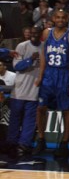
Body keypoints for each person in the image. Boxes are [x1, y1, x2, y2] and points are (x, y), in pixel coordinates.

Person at [33, 9, 69, 158]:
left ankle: (64, 143)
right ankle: (41, 139)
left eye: (63, 17)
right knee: (41, 108)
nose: (60, 20)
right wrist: (40, 75)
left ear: (67, 19)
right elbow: (43, 55)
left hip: (63, 74)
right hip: (49, 74)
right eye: (58, 17)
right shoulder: (46, 33)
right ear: (53, 18)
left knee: (65, 110)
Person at [6, 28, 42, 160]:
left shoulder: (44, 47)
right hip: (19, 91)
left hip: (34, 91)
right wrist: (30, 59)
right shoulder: (22, 46)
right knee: (15, 119)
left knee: (30, 121)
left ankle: (24, 145)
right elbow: (17, 66)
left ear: (40, 34)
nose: (33, 35)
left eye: (36, 33)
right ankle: (11, 143)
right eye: (32, 33)